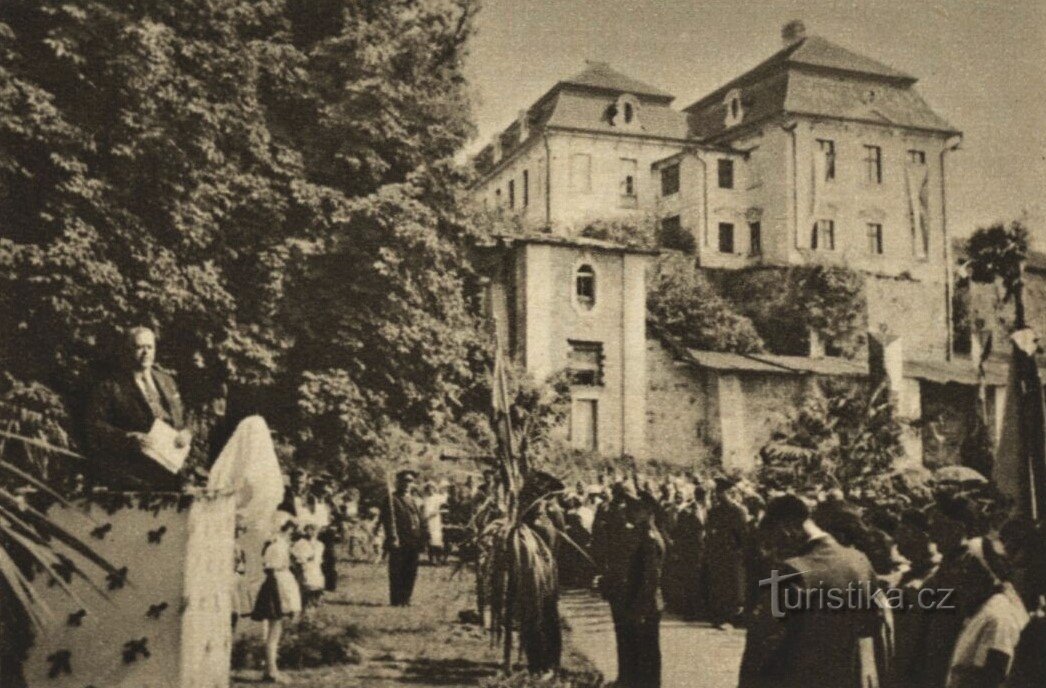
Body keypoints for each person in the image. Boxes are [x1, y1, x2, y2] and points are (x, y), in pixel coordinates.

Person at [738, 495, 880, 688]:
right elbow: (871, 626)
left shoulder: (792, 570)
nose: (777, 550)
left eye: (776, 542)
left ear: (787, 528)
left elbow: (762, 644)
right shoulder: (860, 561)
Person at [85, 326, 189, 490]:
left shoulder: (167, 381)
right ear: (127, 351)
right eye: (139, 347)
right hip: (136, 473)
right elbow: (94, 426)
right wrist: (128, 438)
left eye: (150, 347)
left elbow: (183, 417)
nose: (146, 352)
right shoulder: (110, 386)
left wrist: (187, 433)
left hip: (173, 468)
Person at [946, 536, 1030, 688]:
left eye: (967, 571)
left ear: (986, 574)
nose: (959, 580)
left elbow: (993, 677)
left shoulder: (997, 618)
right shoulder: (982, 610)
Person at [604, 488, 665, 688]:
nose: (631, 513)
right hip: (638, 600)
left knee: (647, 651)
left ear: (648, 512)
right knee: (637, 648)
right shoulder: (641, 533)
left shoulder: (649, 538)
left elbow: (651, 578)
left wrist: (640, 607)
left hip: (646, 603)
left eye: (637, 509)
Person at [250, 511, 302, 684]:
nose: (292, 532)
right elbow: (274, 570)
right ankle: (271, 670)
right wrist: (287, 600)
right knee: (274, 630)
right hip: (277, 588)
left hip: (278, 585)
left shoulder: (279, 544)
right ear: (284, 529)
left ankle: (270, 669)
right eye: (290, 529)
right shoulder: (277, 546)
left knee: (275, 631)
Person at [704, 476, 749, 628]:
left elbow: (743, 535)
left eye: (721, 492)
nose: (718, 495)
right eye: (717, 492)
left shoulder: (737, 511)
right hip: (717, 553)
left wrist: (739, 552)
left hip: (732, 554)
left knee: (732, 586)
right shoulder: (714, 512)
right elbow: (709, 532)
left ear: (729, 493)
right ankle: (719, 617)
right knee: (717, 585)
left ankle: (729, 618)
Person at [381, 469, 426, 606]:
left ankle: (406, 599)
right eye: (405, 481)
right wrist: (392, 537)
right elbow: (388, 521)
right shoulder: (391, 499)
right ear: (398, 482)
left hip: (414, 539)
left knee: (411, 571)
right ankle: (396, 600)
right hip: (399, 539)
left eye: (410, 481)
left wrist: (423, 538)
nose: (407, 484)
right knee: (397, 571)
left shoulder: (414, 500)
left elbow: (420, 520)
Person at [421, 481, 448, 565]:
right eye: (428, 488)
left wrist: (439, 511)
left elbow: (444, 506)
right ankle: (432, 558)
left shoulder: (438, 497)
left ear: (434, 489)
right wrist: (425, 517)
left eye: (432, 488)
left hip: (436, 520)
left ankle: (438, 558)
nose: (430, 490)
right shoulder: (425, 498)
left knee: (437, 539)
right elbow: (424, 510)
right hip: (428, 520)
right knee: (430, 539)